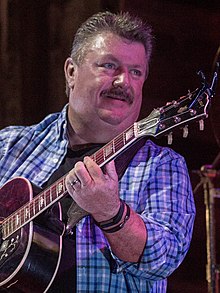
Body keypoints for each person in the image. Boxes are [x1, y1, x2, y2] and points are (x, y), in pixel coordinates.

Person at [0, 11, 195, 292]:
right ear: (71, 72)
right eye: (109, 66)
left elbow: (165, 258)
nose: (123, 82)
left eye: (136, 72)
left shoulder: (162, 166)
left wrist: (112, 213)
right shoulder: (9, 147)